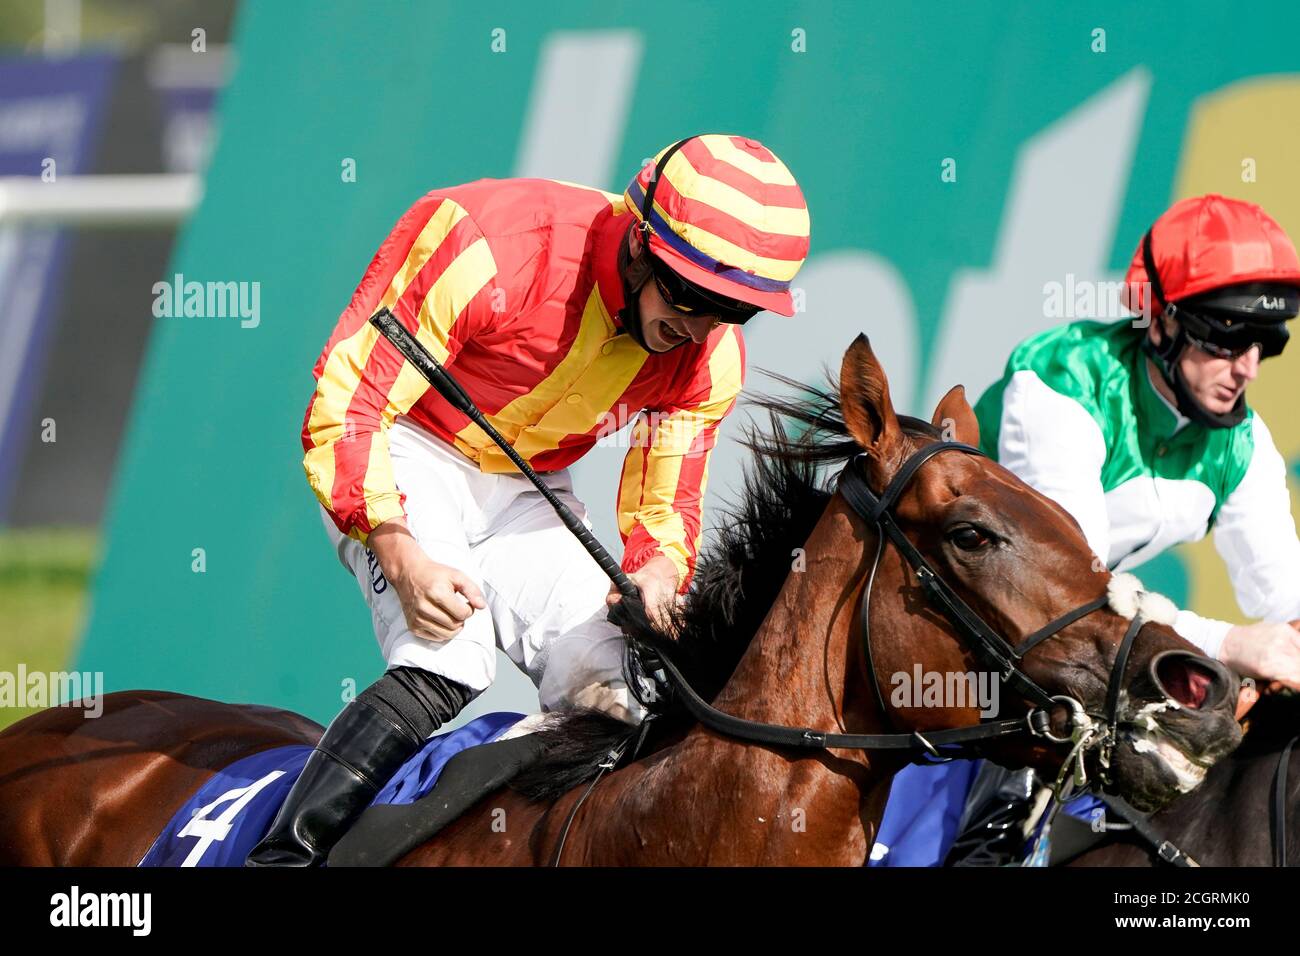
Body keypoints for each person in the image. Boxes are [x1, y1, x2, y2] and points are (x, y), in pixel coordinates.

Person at [244, 134, 810, 866]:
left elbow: (664, 505)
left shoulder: (709, 358)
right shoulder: (487, 241)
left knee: (626, 688)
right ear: (640, 243)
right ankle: (281, 858)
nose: (699, 329)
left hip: (527, 487)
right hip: (403, 447)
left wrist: (660, 572)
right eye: (691, 296)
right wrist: (395, 543)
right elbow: (349, 402)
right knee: (451, 658)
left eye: (733, 310)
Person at [873, 194, 1300, 867]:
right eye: (1225, 334)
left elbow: (1289, 606)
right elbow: (1076, 596)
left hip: (1059, 652)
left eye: (1265, 342)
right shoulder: (1063, 380)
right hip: (948, 640)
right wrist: (1232, 645)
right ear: (1159, 319)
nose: (1246, 365)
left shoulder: (1241, 439)